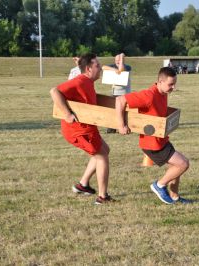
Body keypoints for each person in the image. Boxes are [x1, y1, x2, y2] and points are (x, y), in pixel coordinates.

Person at [115, 67, 191, 205]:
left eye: (174, 83)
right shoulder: (149, 95)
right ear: (160, 82)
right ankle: (159, 185)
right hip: (152, 144)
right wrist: (121, 125)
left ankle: (175, 197)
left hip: (161, 139)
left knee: (176, 166)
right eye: (170, 84)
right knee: (183, 164)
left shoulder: (163, 92)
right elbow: (120, 100)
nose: (173, 87)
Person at [50, 53, 113, 205]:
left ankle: (83, 185)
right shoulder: (80, 81)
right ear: (88, 69)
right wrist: (67, 114)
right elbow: (54, 91)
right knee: (102, 156)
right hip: (79, 131)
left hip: (88, 129)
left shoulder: (88, 82)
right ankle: (102, 197)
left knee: (105, 149)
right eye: (97, 66)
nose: (100, 69)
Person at [102, 53, 132, 133]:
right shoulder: (113, 66)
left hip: (124, 93)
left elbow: (121, 70)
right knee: (112, 110)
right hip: (115, 92)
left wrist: (122, 58)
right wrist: (114, 70)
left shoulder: (127, 67)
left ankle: (124, 126)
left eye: (119, 60)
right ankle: (111, 128)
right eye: (116, 60)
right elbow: (103, 67)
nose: (117, 61)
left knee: (123, 111)